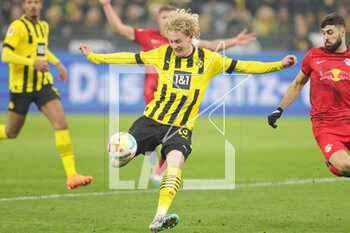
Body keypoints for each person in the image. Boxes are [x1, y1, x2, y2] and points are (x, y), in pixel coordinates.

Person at [80, 9, 297, 232]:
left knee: (175, 163)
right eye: (171, 41)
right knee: (117, 161)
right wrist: (94, 57)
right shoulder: (161, 53)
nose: (174, 45)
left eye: (178, 41)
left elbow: (244, 66)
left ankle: (159, 217)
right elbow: (128, 58)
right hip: (151, 120)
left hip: (181, 127)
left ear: (191, 36)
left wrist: (279, 65)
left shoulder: (209, 59)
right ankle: (122, 154)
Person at [99, 0, 257, 183]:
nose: (168, 20)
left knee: (172, 135)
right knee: (150, 135)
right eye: (165, 17)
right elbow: (119, 28)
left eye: (172, 17)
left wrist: (234, 41)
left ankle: (157, 171)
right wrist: (106, 5)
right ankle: (139, 158)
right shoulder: (147, 36)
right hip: (154, 94)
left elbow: (212, 45)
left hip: (178, 96)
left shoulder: (185, 40)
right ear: (159, 20)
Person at [0, 0, 94, 189]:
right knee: (11, 132)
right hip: (21, 88)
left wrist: (58, 63)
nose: (33, 5)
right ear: (24, 5)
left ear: (41, 5)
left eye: (36, 2)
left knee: (61, 123)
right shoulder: (17, 27)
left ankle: (72, 175)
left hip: (43, 86)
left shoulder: (43, 26)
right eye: (29, 2)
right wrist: (32, 63)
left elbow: (42, 50)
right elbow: (6, 55)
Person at [268, 13, 350, 178]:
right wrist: (279, 109)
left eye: (330, 32)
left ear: (343, 32)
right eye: (323, 33)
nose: (326, 37)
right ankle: (336, 165)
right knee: (346, 165)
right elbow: (298, 83)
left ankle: (333, 166)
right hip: (326, 125)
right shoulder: (314, 55)